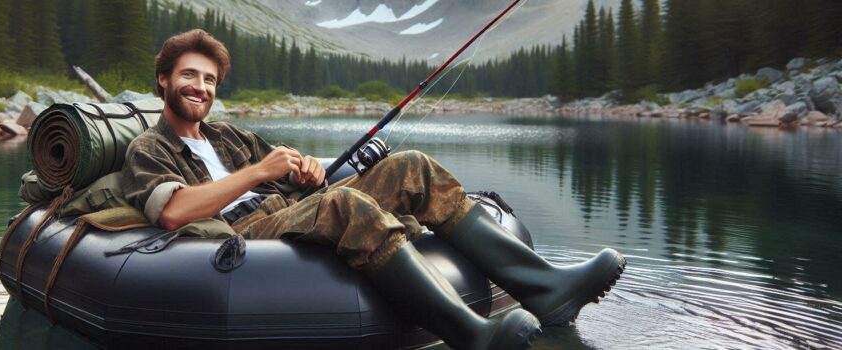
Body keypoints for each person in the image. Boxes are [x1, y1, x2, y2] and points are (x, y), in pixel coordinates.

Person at [123, 29, 626, 350]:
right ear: (163, 81)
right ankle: (471, 336)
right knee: (345, 202)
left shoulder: (229, 135)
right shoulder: (149, 147)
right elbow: (172, 212)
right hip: (241, 230)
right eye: (189, 75)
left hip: (287, 207)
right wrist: (257, 174)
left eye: (210, 80)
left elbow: (291, 168)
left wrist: (308, 170)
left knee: (412, 167)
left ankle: (547, 289)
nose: (201, 87)